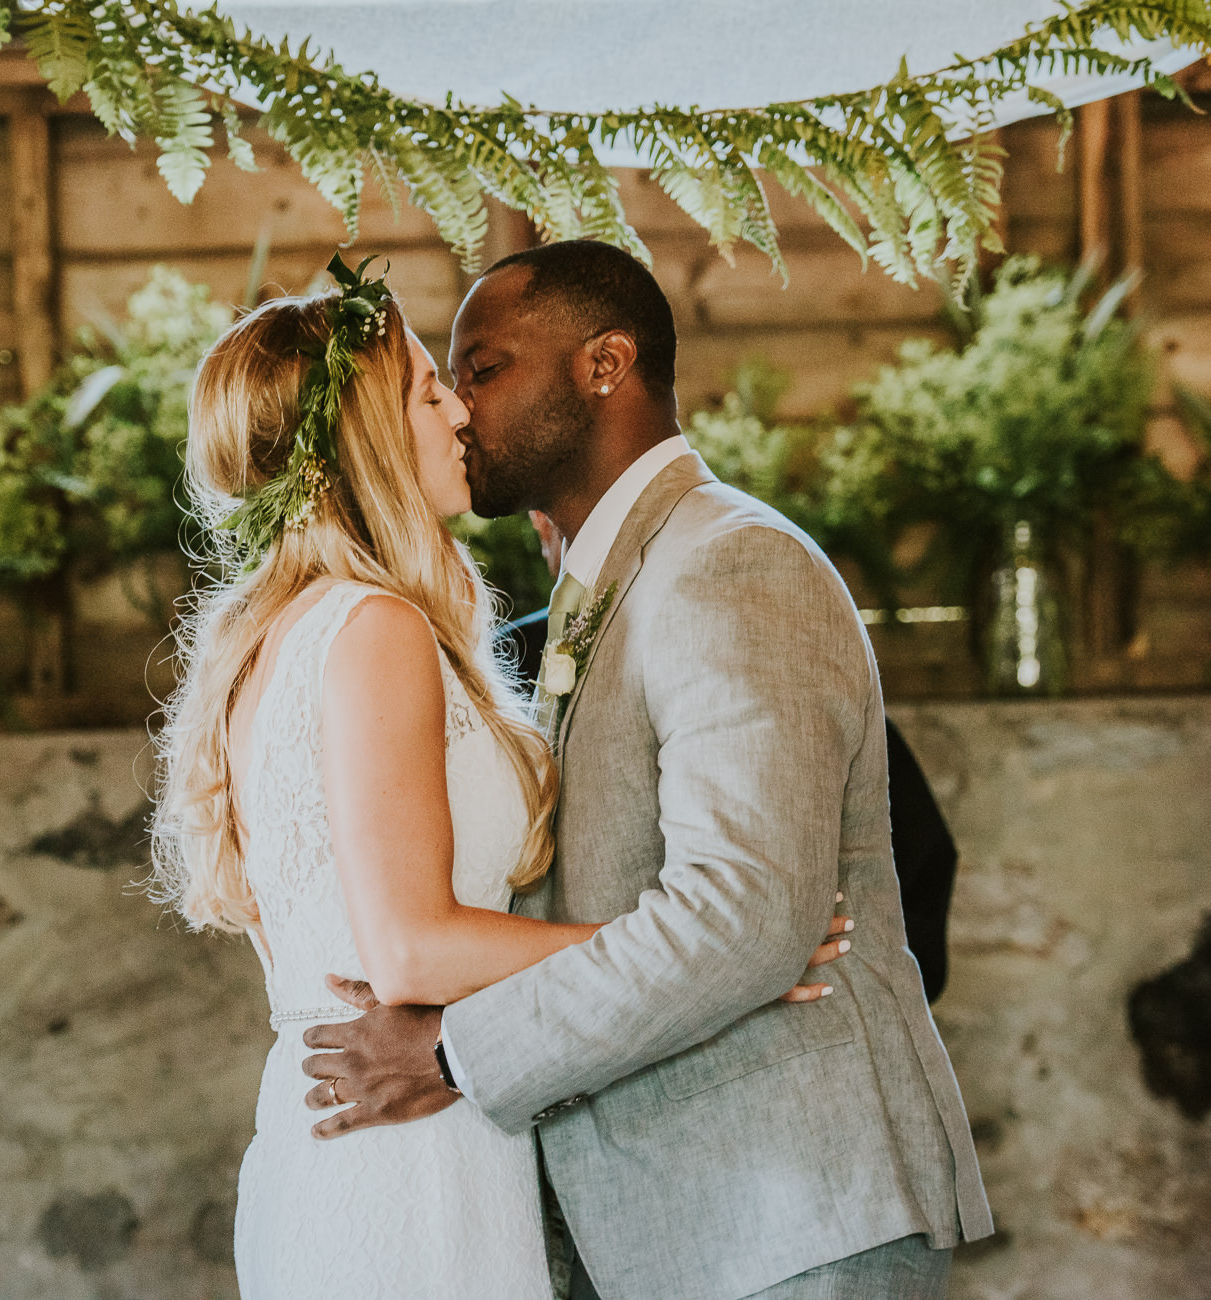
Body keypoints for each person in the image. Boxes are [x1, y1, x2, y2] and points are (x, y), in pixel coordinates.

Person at [149, 256, 852, 1299]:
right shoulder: (372, 627)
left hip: (356, 1135)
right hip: (406, 1159)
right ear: (370, 437)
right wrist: (709, 953)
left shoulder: (285, 633)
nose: (458, 415)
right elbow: (412, 947)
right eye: (431, 389)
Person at [302, 240, 993, 1300]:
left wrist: (455, 1054)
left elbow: (744, 918)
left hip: (787, 1217)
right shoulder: (604, 580)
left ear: (603, 364)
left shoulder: (729, 561)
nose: (455, 411)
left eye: (482, 371)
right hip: (681, 1224)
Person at [500, 527, 961, 1004]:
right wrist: (738, 963)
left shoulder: (769, 645)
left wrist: (809, 971)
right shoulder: (514, 659)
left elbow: (919, 858)